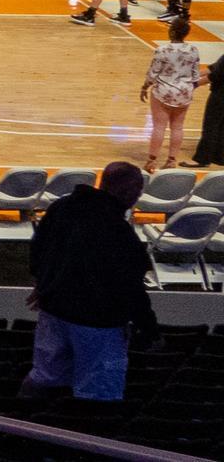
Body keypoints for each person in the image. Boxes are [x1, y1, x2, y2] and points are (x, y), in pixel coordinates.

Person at [21, 162, 155, 401]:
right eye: (137, 190)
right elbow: (131, 288)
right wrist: (150, 329)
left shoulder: (61, 207)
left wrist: (42, 284)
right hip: (97, 323)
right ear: (128, 191)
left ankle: (24, 424)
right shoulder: (118, 232)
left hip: (53, 309)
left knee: (43, 378)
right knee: (98, 393)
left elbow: (38, 248)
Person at [142, 16, 205, 169]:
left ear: (171, 32)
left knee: (159, 127)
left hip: (163, 91)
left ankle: (152, 161)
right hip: (184, 92)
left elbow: (153, 73)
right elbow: (196, 75)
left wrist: (144, 87)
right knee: (178, 127)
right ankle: (171, 161)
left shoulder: (162, 50)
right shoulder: (193, 50)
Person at [189, 57, 224, 168]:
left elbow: (215, 74)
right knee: (221, 125)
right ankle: (219, 157)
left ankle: (202, 159)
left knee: (211, 125)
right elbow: (215, 67)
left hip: (221, 93)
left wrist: (194, 84)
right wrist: (194, 76)